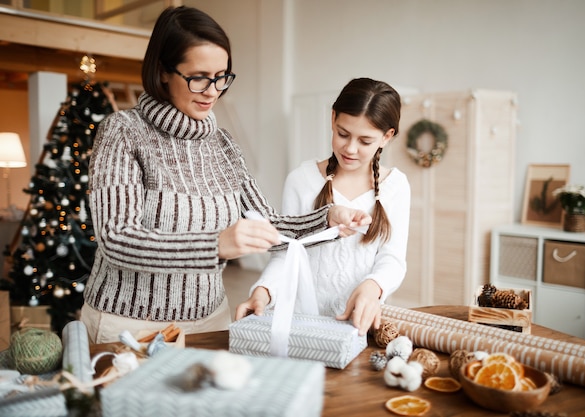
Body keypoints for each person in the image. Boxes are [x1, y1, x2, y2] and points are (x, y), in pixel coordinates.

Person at [80, 6, 370, 344]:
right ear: (162, 72)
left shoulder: (223, 144)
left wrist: (328, 220)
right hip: (128, 325)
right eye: (199, 77)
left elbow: (267, 224)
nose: (212, 91)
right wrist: (214, 245)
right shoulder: (123, 132)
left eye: (221, 76)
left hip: (210, 320)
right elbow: (117, 238)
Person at [235, 78, 410, 336]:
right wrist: (263, 291)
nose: (350, 148)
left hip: (358, 326)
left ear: (386, 137)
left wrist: (373, 286)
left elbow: (393, 259)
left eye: (365, 141)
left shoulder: (396, 186)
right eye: (342, 134)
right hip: (299, 323)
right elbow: (286, 252)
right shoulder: (302, 180)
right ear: (332, 119)